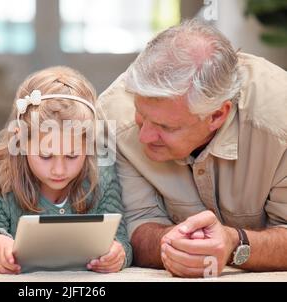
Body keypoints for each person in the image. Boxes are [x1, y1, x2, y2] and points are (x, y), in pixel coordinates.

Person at [96, 19, 287, 278]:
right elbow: (133, 223)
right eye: (141, 115)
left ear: (217, 115)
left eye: (166, 127)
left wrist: (234, 243)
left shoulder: (280, 123)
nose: (144, 136)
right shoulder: (112, 116)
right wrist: (172, 243)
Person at [0, 66, 132, 274]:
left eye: (72, 156)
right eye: (45, 156)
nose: (59, 169)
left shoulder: (102, 176)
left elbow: (120, 239)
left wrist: (118, 253)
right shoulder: (3, 178)